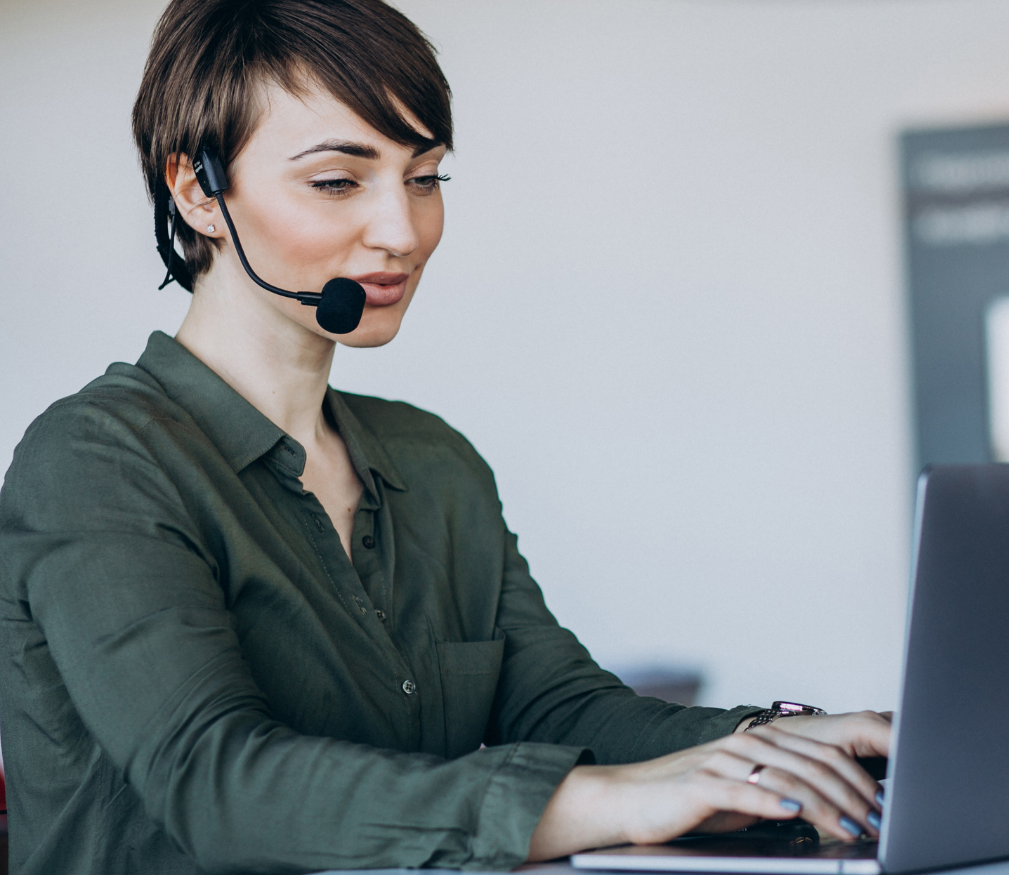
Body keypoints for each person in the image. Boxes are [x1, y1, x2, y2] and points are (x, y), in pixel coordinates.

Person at [0, 1, 891, 872]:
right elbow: (218, 781)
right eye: (338, 180)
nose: (402, 231)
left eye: (423, 177)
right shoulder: (96, 462)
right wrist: (612, 800)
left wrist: (768, 742)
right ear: (198, 189)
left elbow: (555, 704)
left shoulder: (432, 461)